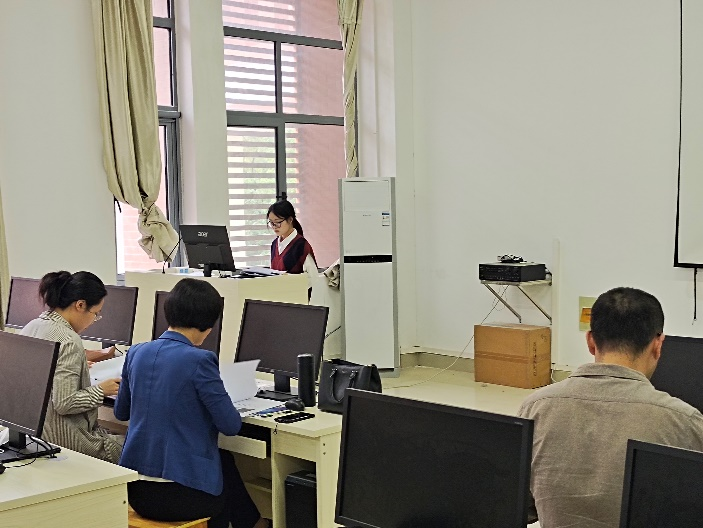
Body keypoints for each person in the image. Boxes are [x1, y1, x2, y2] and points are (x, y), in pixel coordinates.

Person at [518, 287, 703, 527]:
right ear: (658, 345)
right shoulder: (685, 421)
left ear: (590, 341)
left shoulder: (534, 408)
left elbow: (521, 503)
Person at [115, 278, 269, 528]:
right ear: (209, 325)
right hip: (182, 495)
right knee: (221, 482)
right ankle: (255, 523)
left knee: (225, 462)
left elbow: (121, 412)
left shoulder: (136, 352)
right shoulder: (200, 360)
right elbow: (230, 426)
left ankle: (254, 523)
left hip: (137, 491)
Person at [20, 271, 123, 463]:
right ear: (80, 305)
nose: (94, 321)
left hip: (34, 436)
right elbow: (64, 403)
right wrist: (101, 390)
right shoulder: (69, 340)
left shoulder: (32, 326)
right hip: (66, 440)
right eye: (96, 314)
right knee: (136, 447)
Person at [267, 199, 317, 286]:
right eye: (271, 223)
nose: (274, 226)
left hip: (296, 293)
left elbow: (313, 279)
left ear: (290, 220)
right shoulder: (274, 244)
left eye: (278, 222)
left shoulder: (301, 246)